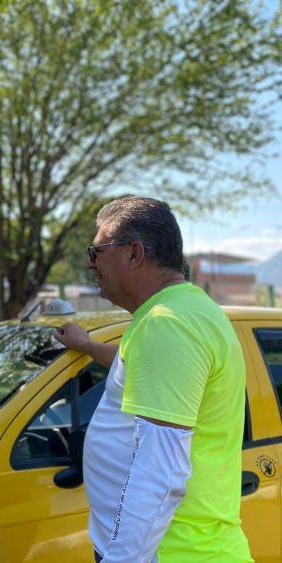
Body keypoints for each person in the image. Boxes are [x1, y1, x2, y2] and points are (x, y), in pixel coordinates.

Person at [54, 196, 252, 563]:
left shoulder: (166, 325)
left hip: (170, 552)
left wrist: (122, 559)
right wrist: (87, 345)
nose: (89, 262)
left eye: (97, 251)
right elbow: (140, 366)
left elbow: (159, 471)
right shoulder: (182, 311)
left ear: (134, 254)